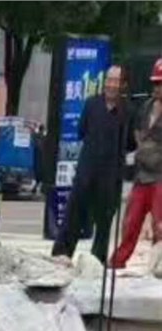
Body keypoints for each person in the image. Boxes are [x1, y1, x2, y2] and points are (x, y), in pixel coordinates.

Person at [51, 65, 132, 266]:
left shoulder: (128, 110)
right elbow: (82, 131)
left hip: (111, 174)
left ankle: (97, 260)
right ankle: (62, 253)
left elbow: (131, 142)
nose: (111, 85)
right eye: (109, 80)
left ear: (123, 85)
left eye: (116, 81)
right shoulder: (91, 104)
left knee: (104, 221)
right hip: (87, 169)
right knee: (74, 214)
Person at [110, 59, 162, 270]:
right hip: (142, 176)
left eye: (161, 84)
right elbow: (136, 134)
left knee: (160, 225)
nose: (157, 88)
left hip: (160, 177)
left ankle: (158, 264)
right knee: (130, 222)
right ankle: (117, 261)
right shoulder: (145, 108)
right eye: (156, 83)